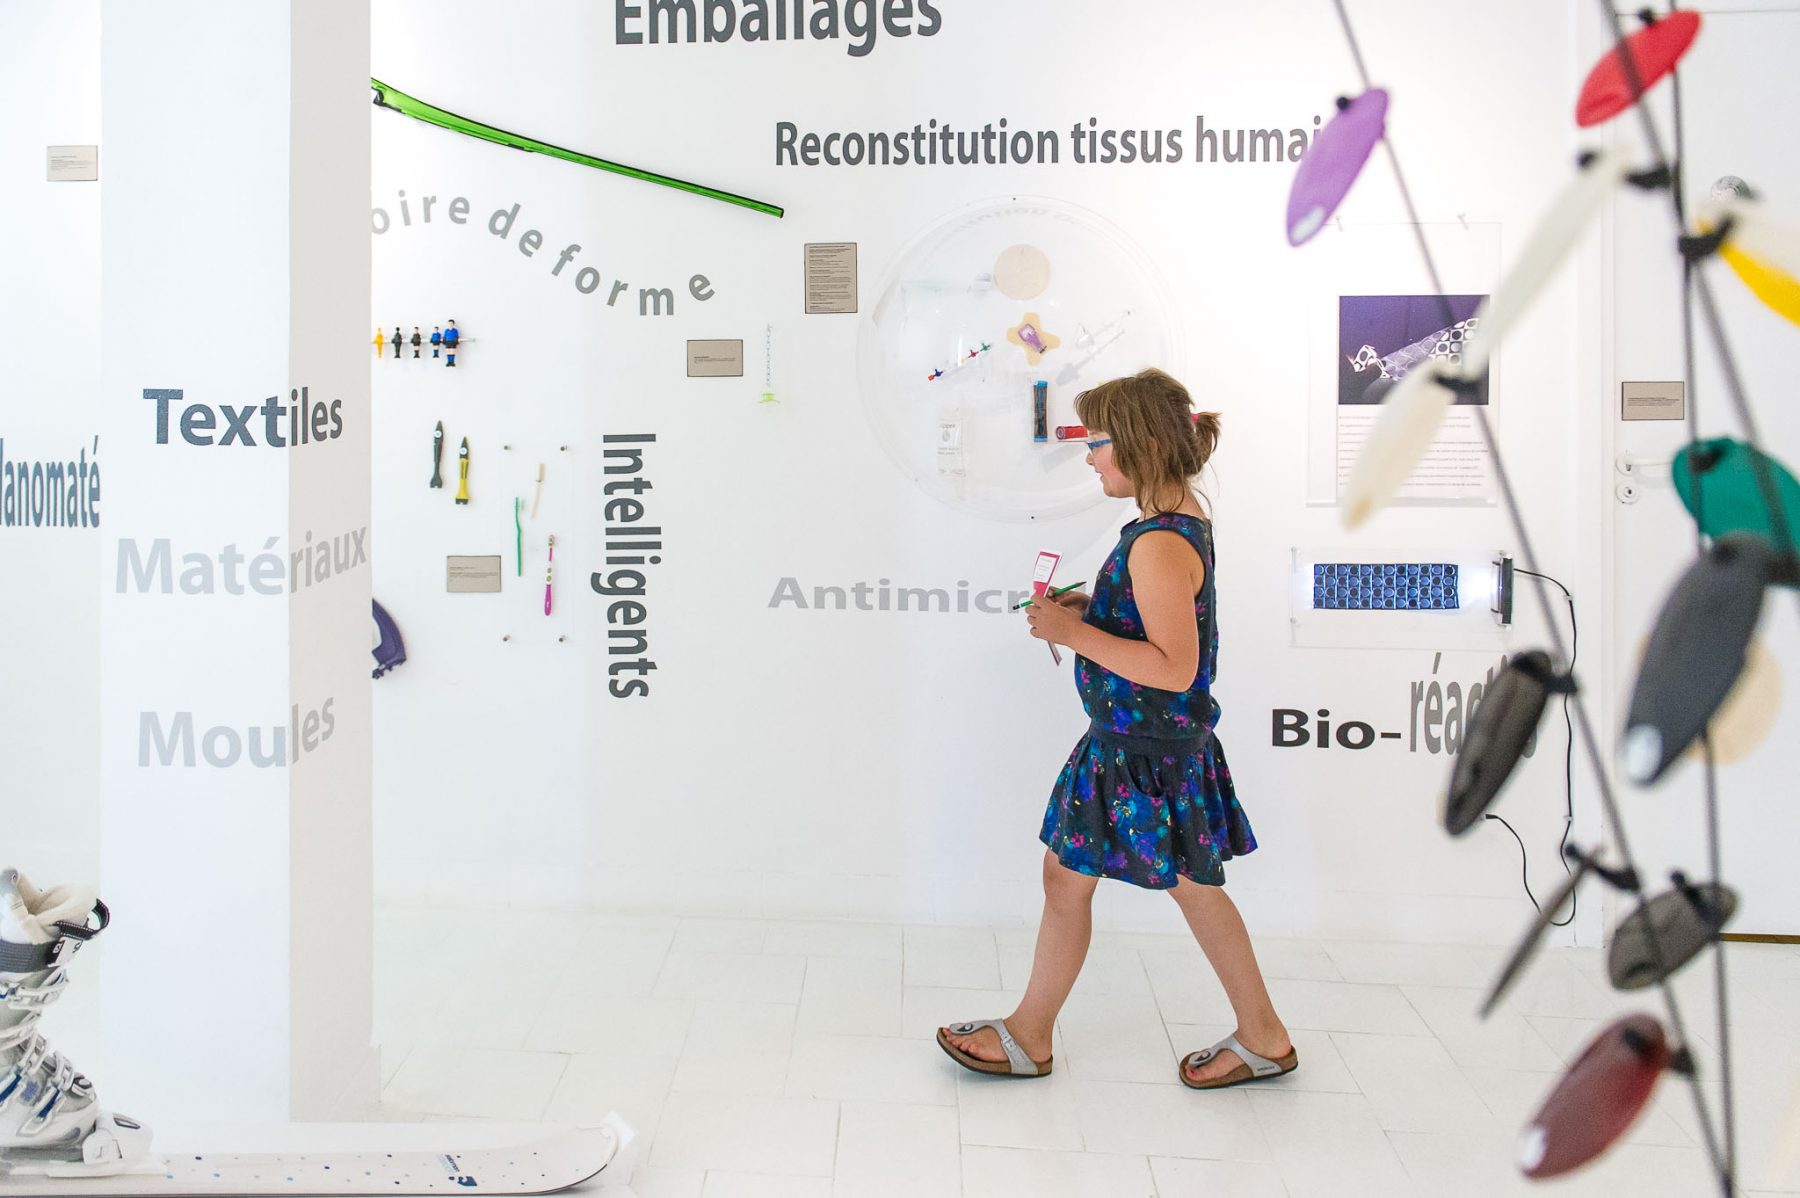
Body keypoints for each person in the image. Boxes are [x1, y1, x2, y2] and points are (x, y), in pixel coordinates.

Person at [937, 368, 1295, 1089]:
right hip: (1142, 748)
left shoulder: (1157, 543)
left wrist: (1073, 631)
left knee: (1172, 886)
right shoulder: (1169, 525)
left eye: (1097, 442)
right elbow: (1156, 629)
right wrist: (1092, 615)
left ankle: (1038, 1036)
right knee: (1083, 879)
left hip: (1145, 756)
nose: (1091, 458)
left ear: (1144, 445)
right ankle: (1034, 1031)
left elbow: (1173, 667)